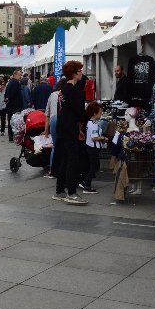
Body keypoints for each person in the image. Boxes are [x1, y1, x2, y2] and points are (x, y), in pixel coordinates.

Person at [53, 61, 87, 205]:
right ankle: (71, 192)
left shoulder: (62, 90)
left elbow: (64, 111)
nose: (81, 73)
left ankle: (60, 190)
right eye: (79, 70)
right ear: (73, 73)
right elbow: (80, 112)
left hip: (62, 128)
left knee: (64, 159)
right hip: (70, 129)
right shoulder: (74, 91)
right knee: (72, 160)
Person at [43, 78, 67, 178]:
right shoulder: (65, 94)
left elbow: (47, 115)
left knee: (55, 145)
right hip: (62, 119)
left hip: (52, 119)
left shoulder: (52, 95)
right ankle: (63, 168)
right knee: (65, 145)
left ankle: (53, 170)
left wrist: (46, 130)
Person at [81, 102, 105, 194]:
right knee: (94, 167)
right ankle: (87, 185)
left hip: (90, 147)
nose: (101, 114)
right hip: (93, 148)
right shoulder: (93, 124)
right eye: (100, 112)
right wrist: (103, 138)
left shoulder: (91, 122)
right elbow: (94, 137)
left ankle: (85, 182)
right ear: (94, 113)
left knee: (93, 166)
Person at [4, 70, 23, 142]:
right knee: (15, 121)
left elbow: (6, 93)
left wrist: (6, 100)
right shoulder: (15, 82)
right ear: (15, 74)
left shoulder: (10, 82)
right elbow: (13, 93)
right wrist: (9, 99)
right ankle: (13, 136)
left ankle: (11, 136)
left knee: (10, 120)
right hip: (15, 106)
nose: (20, 76)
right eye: (19, 75)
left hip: (10, 105)